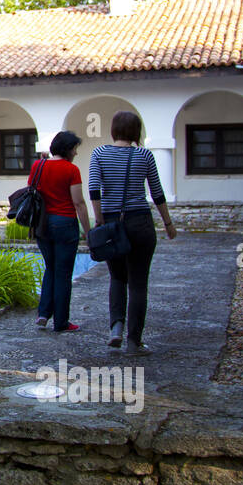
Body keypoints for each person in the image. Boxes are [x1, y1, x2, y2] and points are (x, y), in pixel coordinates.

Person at [88, 111, 177, 355]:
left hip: (111, 223)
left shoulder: (99, 153)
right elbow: (157, 192)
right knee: (138, 284)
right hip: (140, 222)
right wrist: (168, 223)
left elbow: (94, 189)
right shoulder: (144, 155)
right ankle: (134, 342)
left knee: (117, 277)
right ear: (137, 131)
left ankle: (115, 329)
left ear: (113, 129)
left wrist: (100, 219)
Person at [31, 131, 92, 333]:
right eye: (75, 148)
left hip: (42, 224)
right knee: (64, 273)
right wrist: (88, 231)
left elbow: (33, 192)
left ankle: (43, 314)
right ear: (68, 149)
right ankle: (61, 322)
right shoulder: (71, 170)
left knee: (50, 267)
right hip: (65, 224)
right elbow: (79, 202)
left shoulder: (37, 166)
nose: (76, 152)